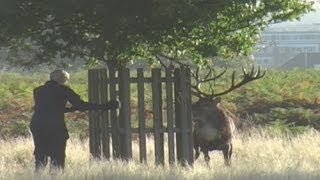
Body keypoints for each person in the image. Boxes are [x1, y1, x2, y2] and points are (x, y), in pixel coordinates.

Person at [29, 69, 119, 171]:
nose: (66, 81)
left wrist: (72, 109)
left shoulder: (37, 90)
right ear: (61, 79)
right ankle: (55, 175)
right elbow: (81, 105)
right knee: (58, 153)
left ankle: (38, 174)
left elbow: (49, 108)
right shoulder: (63, 90)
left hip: (37, 124)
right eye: (66, 79)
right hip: (55, 125)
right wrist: (104, 106)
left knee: (41, 151)